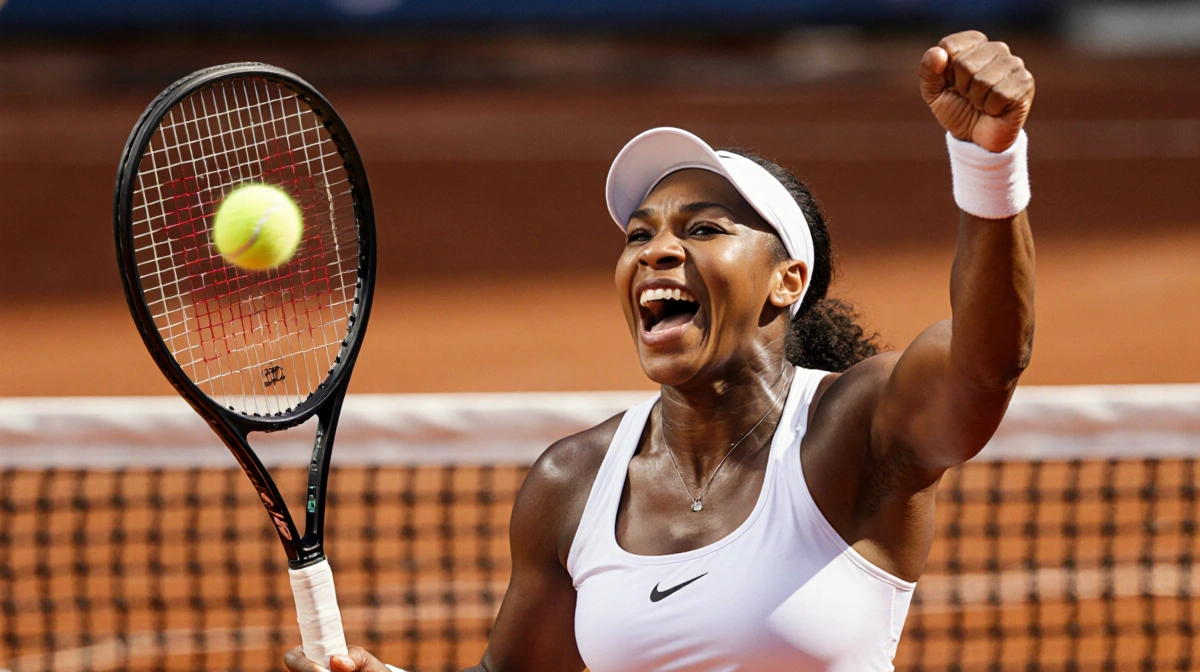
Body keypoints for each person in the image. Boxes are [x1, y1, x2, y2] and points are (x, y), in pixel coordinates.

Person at [286, 29, 1036, 672]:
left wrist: (990, 164)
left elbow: (986, 362)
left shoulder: (856, 424)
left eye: (703, 229)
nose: (658, 251)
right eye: (640, 234)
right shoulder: (571, 484)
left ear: (786, 282)